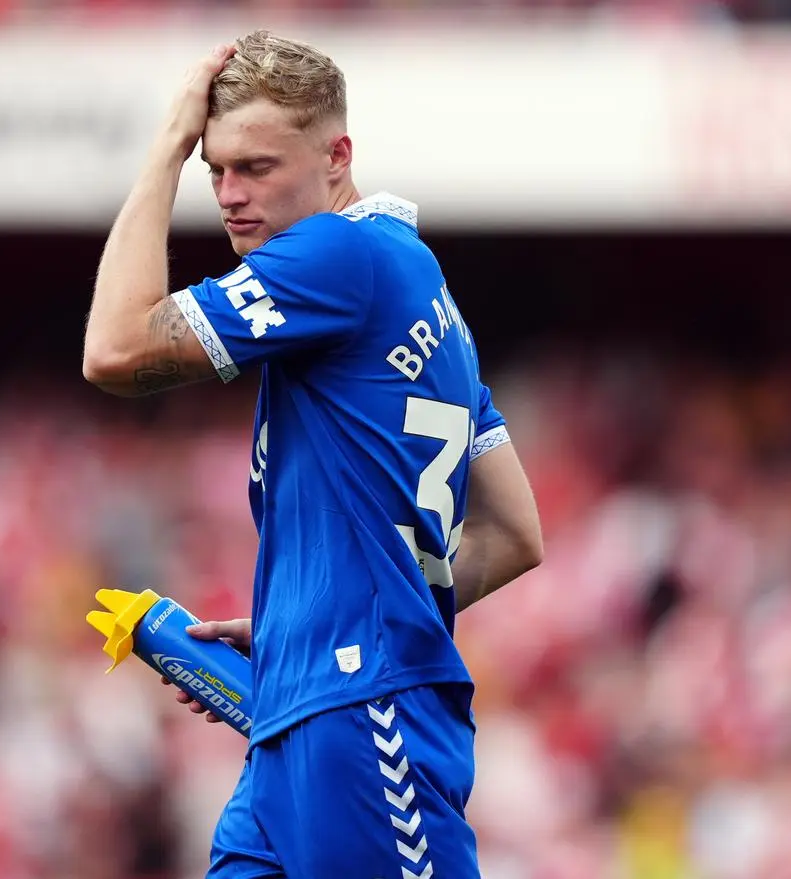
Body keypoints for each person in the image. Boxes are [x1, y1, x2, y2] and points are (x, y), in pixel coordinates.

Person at [82, 30, 543, 879]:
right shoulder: (424, 288)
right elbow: (515, 533)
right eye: (213, 169)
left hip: (368, 721)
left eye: (255, 168)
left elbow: (114, 349)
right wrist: (303, 624)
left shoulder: (337, 255)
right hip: (306, 719)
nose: (227, 195)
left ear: (338, 156)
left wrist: (164, 151)